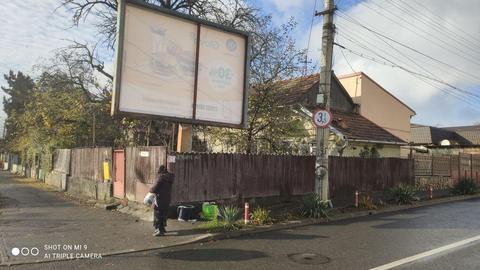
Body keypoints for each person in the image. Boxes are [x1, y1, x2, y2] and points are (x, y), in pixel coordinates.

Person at [149, 164, 174, 236]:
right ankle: (163, 228)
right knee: (164, 213)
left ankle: (159, 230)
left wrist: (151, 190)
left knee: (158, 214)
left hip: (160, 198)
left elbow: (155, 188)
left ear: (160, 170)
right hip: (167, 198)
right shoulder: (170, 177)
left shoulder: (161, 177)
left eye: (158, 170)